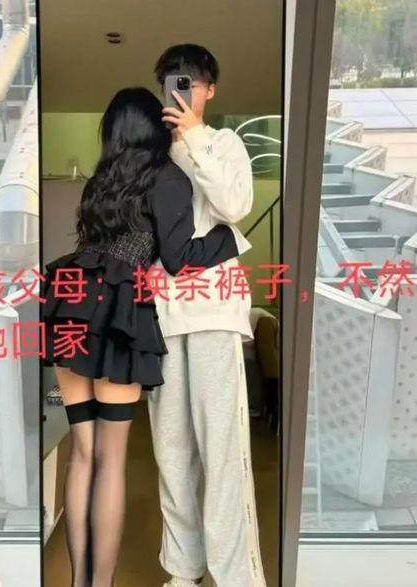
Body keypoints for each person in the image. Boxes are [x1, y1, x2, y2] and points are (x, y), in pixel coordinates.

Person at [42, 87, 240, 587]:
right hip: (118, 312)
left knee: (82, 453)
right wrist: (229, 238)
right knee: (110, 459)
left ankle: (79, 583)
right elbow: (178, 258)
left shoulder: (99, 182)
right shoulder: (166, 177)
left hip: (69, 299)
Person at [148, 44, 267, 587]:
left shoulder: (225, 143)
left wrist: (195, 137)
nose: (180, 93)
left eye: (190, 84)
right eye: (172, 83)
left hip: (214, 314)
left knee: (222, 452)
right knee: (172, 452)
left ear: (209, 90)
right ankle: (183, 569)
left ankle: (234, 576)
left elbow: (235, 205)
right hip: (164, 318)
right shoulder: (154, 155)